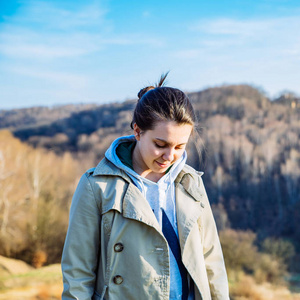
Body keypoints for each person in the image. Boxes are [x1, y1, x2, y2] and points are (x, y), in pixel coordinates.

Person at [61, 74, 229, 300]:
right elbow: (77, 273)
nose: (170, 156)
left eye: (180, 146)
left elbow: (211, 260)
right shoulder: (96, 186)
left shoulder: (191, 181)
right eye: (161, 145)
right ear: (137, 131)